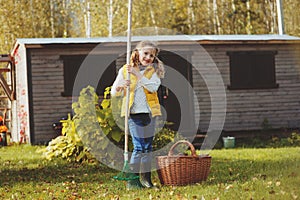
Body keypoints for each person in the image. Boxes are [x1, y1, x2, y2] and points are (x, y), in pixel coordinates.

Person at [111, 40, 165, 189]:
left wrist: (138, 75)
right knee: (139, 147)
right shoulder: (125, 70)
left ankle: (146, 180)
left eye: (151, 55)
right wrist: (122, 86)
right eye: (145, 53)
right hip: (133, 114)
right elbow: (113, 92)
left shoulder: (152, 72)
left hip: (149, 114)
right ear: (137, 53)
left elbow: (153, 88)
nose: (148, 57)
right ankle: (132, 181)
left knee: (148, 147)